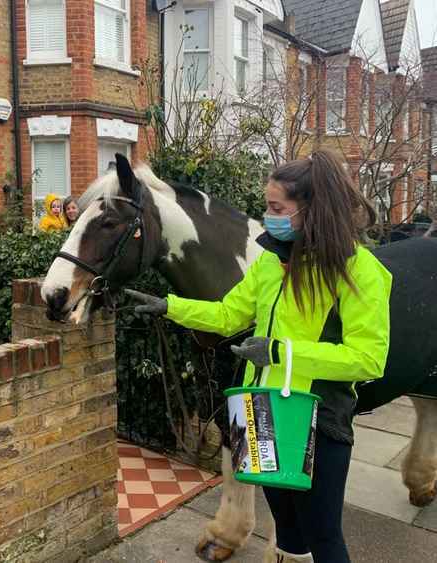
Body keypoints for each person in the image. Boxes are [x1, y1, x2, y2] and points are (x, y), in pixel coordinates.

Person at [126, 150, 391, 563]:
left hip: (317, 420)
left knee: (323, 538)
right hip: (260, 410)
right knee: (286, 530)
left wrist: (279, 352)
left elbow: (368, 359)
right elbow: (230, 314)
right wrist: (171, 307)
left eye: (275, 208)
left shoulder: (360, 272)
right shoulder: (270, 260)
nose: (266, 216)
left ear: (311, 210)